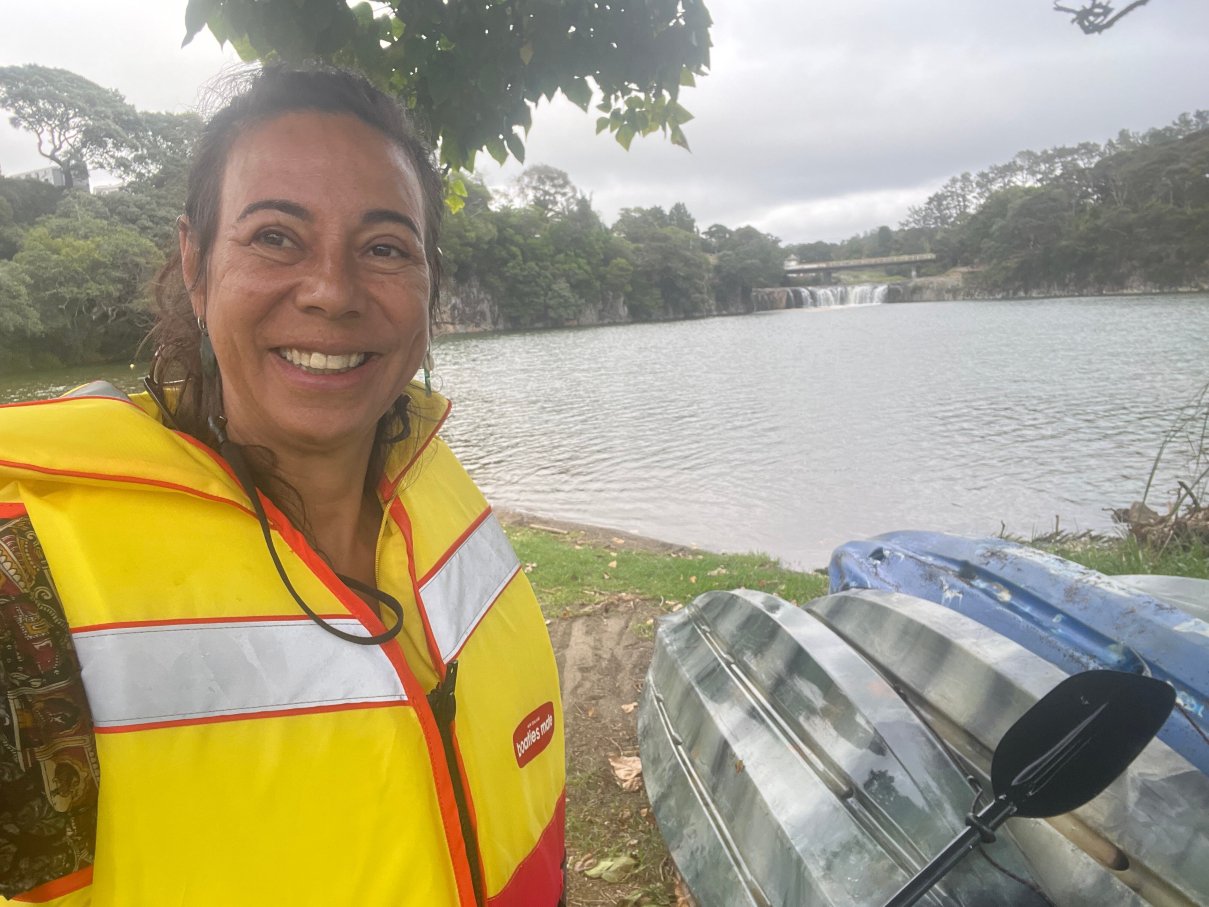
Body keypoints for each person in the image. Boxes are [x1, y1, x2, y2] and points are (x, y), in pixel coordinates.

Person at [0, 65, 565, 906]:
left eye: (383, 248)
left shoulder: (429, 475)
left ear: (427, 283)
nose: (332, 292)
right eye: (274, 236)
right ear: (195, 264)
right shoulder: (29, 581)